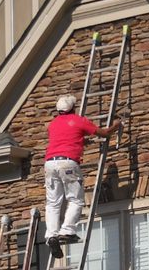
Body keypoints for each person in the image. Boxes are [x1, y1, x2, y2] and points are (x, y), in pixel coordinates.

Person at [44, 94, 122, 247]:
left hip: (49, 164)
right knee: (75, 199)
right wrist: (116, 125)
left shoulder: (53, 124)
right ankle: (67, 231)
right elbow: (104, 133)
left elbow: (64, 138)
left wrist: (80, 140)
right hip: (68, 163)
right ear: (73, 108)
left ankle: (51, 234)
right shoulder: (79, 121)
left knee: (53, 202)